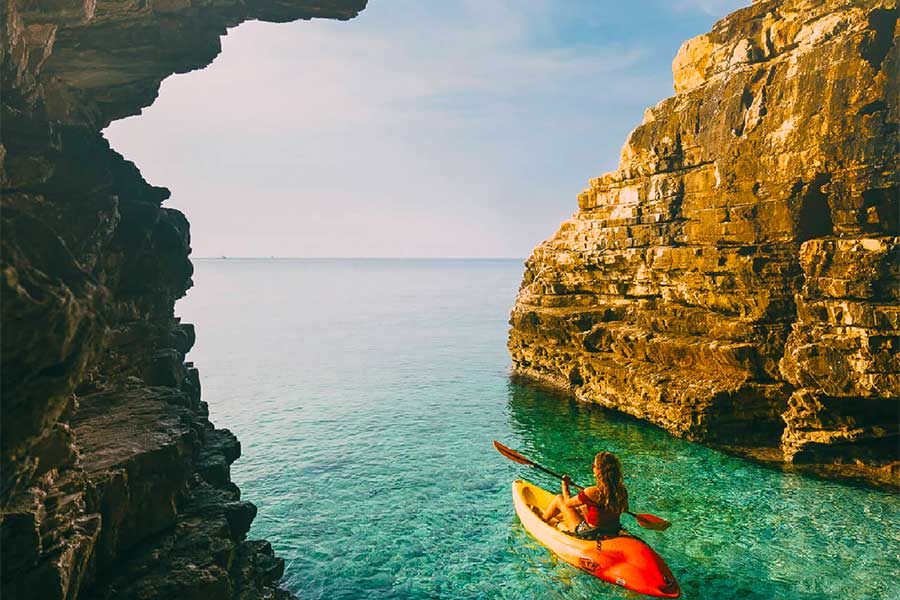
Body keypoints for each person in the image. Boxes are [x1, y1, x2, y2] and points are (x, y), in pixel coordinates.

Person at [540, 451, 629, 540]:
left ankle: (541, 521)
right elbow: (625, 509)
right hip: (612, 530)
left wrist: (565, 486)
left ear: (597, 469)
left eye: (594, 465)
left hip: (591, 533)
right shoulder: (622, 490)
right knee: (583, 506)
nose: (592, 467)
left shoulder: (591, 492)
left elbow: (567, 503)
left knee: (559, 498)